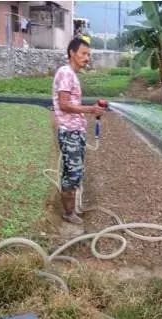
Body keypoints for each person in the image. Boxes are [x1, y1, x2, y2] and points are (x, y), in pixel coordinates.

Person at [52, 36, 105, 224]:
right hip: (69, 132)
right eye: (83, 53)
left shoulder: (72, 75)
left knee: (73, 172)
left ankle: (71, 210)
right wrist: (90, 109)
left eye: (89, 54)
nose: (87, 57)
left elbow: (71, 103)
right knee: (73, 173)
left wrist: (89, 111)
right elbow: (65, 105)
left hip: (75, 131)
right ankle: (68, 213)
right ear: (71, 53)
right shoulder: (66, 73)